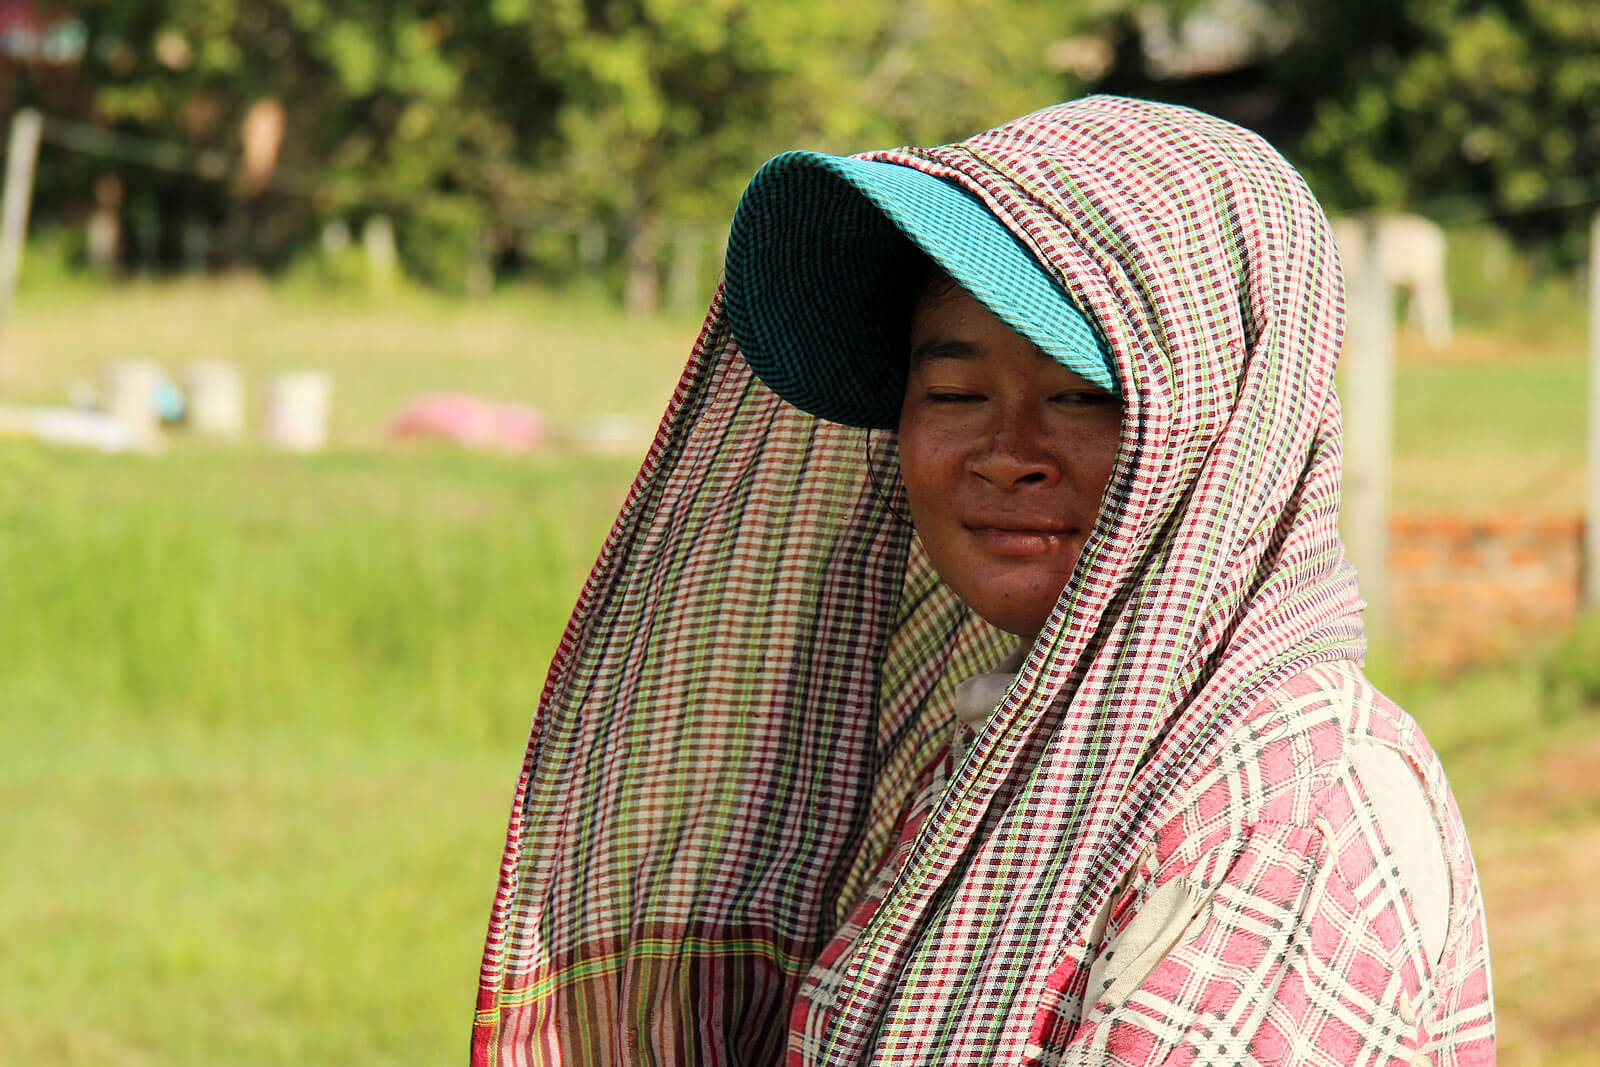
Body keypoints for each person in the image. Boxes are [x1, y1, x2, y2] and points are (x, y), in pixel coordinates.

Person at [471, 97, 1494, 1065]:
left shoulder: (1282, 811)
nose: (1007, 453)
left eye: (1084, 395)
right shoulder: (1017, 732)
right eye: (954, 389)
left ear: (1230, 432)